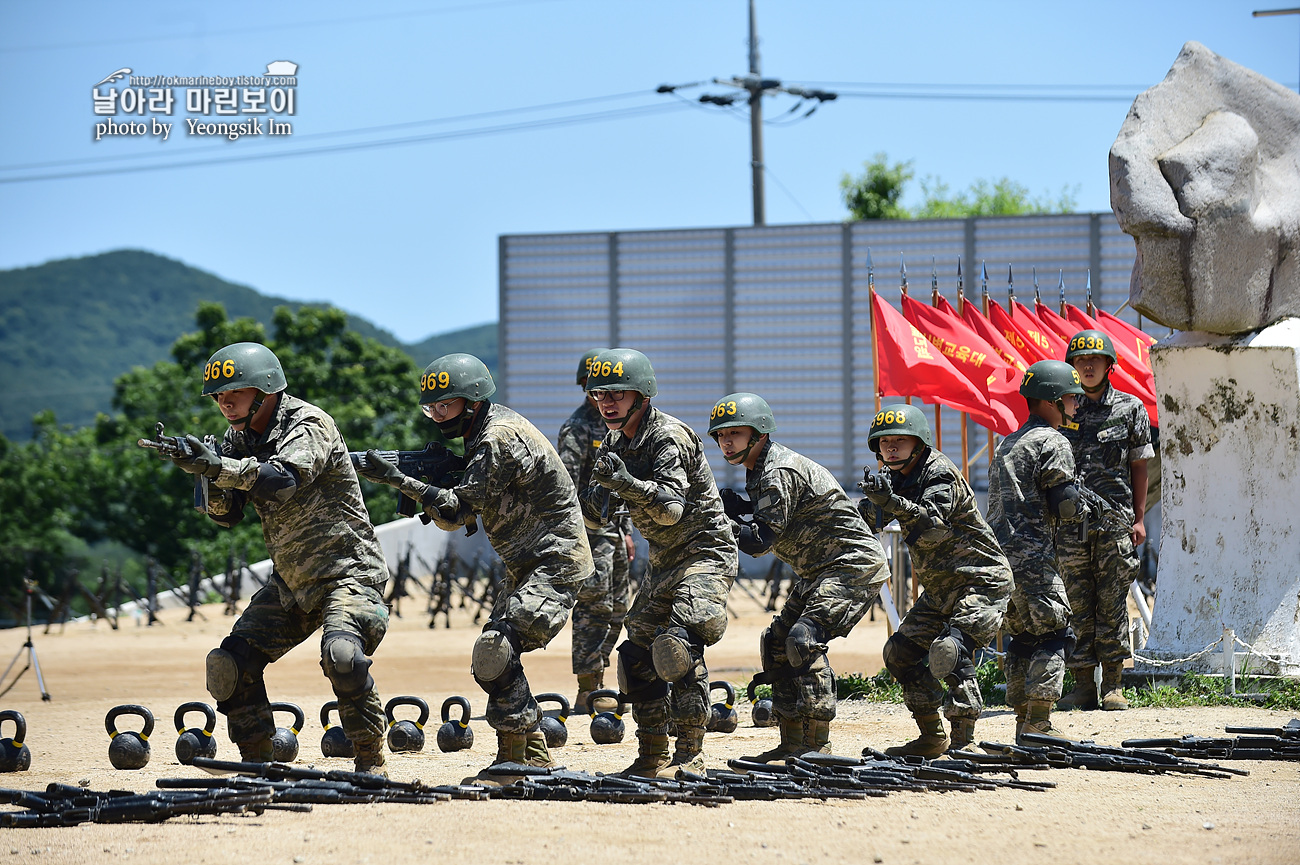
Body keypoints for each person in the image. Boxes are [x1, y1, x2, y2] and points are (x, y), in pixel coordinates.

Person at [360, 353, 592, 784]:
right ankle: (532, 754)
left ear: (472, 402)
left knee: (495, 650)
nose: (437, 416)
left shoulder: (497, 438)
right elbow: (458, 513)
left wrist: (397, 479)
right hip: (527, 563)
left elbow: (455, 509)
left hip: (554, 560)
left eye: (444, 406)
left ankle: (514, 760)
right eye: (431, 408)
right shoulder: (484, 430)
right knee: (495, 655)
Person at [165, 342, 390, 774]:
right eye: (218, 396)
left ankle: (370, 761)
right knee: (228, 665)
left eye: (235, 392)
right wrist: (204, 479)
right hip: (292, 581)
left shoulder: (308, 424)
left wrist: (218, 468)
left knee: (342, 655)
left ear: (266, 390)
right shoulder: (238, 437)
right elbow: (227, 516)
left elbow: (280, 479)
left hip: (349, 574)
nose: (224, 402)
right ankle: (257, 761)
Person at [578, 348, 737, 778]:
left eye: (618, 394)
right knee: (635, 651)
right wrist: (597, 492)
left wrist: (625, 482)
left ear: (642, 396)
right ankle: (652, 754)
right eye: (600, 395)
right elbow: (595, 516)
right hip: (665, 560)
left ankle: (690, 754)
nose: (607, 403)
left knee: (677, 645)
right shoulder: (612, 441)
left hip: (705, 552)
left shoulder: (669, 437)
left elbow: (670, 511)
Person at [709, 392, 889, 762]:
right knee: (775, 643)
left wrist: (718, 521)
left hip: (851, 564)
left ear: (759, 434)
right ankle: (791, 741)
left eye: (735, 434)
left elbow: (760, 542)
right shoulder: (759, 468)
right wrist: (741, 507)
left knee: (803, 639)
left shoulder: (777, 472)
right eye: (720, 435)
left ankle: (817, 744)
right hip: (820, 568)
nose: (726, 442)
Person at [858, 404, 1013, 755]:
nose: (892, 448)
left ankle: (964, 742)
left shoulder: (938, 472)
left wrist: (892, 503)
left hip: (981, 580)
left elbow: (932, 524)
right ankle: (931, 736)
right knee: (899, 653)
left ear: (919, 443)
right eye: (884, 443)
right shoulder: (893, 480)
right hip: (942, 588)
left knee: (950, 651)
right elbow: (864, 518)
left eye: (900, 440)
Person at [987, 360, 1086, 742]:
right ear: (1051, 401)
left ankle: (1021, 719)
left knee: (1022, 636)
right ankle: (1040, 722)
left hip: (1002, 557)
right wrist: (1082, 509)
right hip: (1034, 555)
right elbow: (1064, 503)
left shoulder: (1008, 442)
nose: (1076, 405)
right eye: (1070, 398)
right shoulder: (1053, 441)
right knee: (1054, 632)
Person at [1056, 330, 1154, 712]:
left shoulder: (1130, 409)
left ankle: (1113, 684)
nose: (1089, 366)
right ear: (1073, 368)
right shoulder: (1063, 410)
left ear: (1110, 365)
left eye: (1096, 360)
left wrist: (1139, 518)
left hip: (1114, 522)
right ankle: (1082, 685)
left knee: (1113, 602)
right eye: (1081, 361)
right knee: (1077, 603)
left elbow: (1140, 466)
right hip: (1070, 525)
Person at [556, 348, 632, 715]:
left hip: (615, 529)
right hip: (588, 531)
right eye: (595, 386)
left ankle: (599, 670)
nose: (601, 394)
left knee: (620, 607)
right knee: (594, 605)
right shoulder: (578, 427)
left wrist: (628, 529)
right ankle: (589, 685)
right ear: (585, 387)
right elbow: (565, 487)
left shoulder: (618, 427)